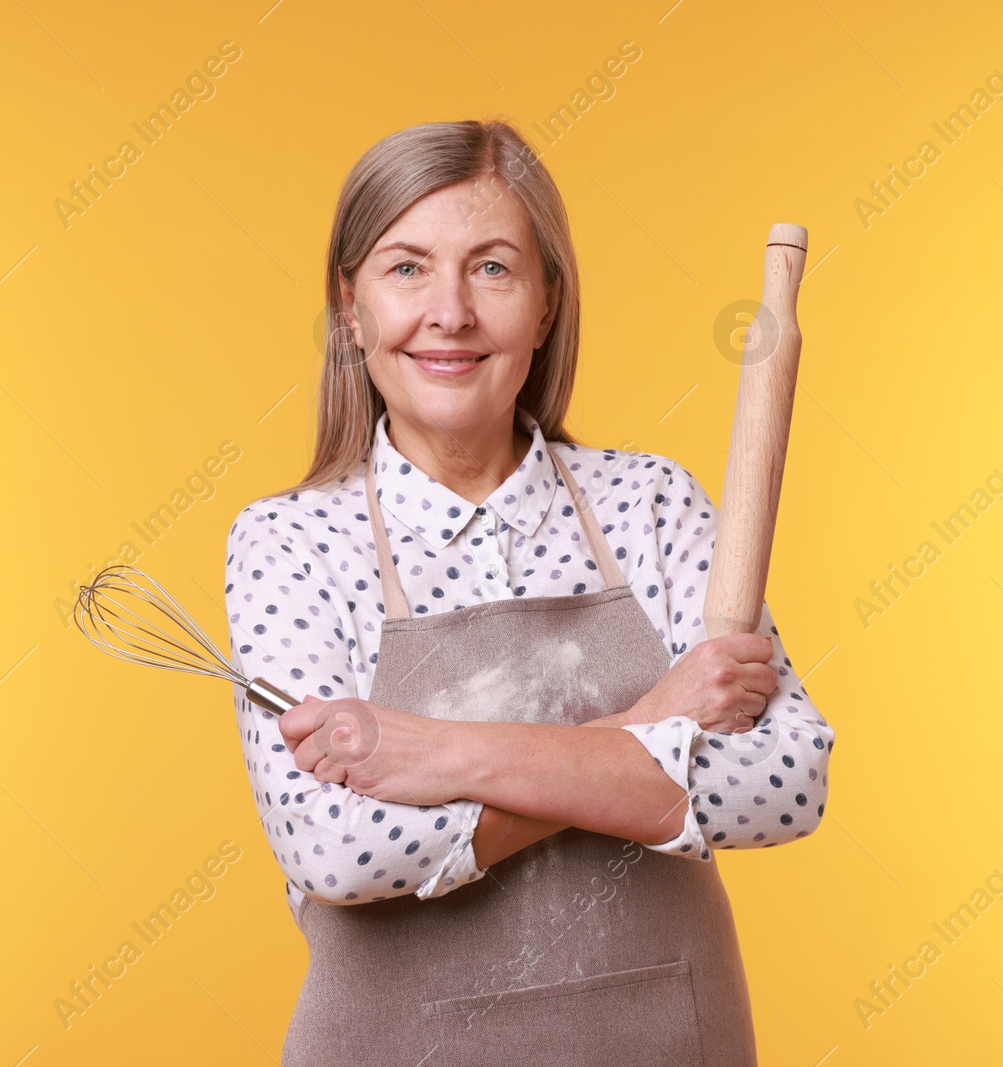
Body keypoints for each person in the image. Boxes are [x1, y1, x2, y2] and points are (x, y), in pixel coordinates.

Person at [224, 118, 835, 1066]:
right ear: (351, 310)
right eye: (407, 268)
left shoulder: (651, 502)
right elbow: (337, 849)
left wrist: (441, 755)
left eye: (495, 269)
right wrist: (650, 729)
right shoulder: (290, 542)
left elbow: (787, 782)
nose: (452, 312)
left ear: (547, 305)